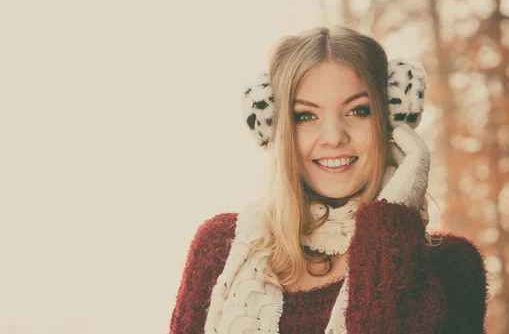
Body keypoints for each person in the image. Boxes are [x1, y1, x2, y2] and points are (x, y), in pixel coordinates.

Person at [169, 26, 488, 334]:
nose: (334, 137)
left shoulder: (448, 265)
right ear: (276, 130)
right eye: (305, 116)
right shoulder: (219, 249)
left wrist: (394, 211)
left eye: (358, 111)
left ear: (392, 119)